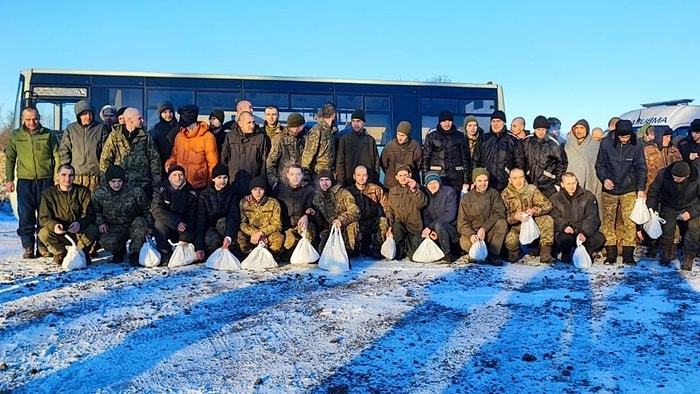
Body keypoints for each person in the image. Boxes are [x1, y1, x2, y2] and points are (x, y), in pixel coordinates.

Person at [5, 107, 61, 258]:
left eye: (35, 119)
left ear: (39, 118)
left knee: (45, 215)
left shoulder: (48, 134)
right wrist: (9, 179)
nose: (32, 122)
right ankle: (28, 246)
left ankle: (43, 246)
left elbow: (57, 156)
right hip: (25, 181)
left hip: (46, 180)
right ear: (23, 119)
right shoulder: (16, 135)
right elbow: (10, 158)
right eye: (28, 119)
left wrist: (57, 176)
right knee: (26, 216)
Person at [595, 119, 647, 265]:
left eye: (627, 136)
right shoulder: (605, 143)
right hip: (609, 189)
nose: (625, 139)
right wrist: (604, 178)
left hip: (628, 189)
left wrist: (640, 189)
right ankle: (611, 254)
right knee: (609, 222)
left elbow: (641, 168)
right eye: (622, 137)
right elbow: (600, 165)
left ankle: (628, 255)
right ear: (616, 134)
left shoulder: (637, 144)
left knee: (629, 222)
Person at [38, 164, 99, 265]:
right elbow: (44, 217)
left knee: (92, 229)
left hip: (78, 232)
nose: (67, 179)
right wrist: (54, 226)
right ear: (58, 176)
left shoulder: (83, 192)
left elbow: (90, 215)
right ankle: (60, 253)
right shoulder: (48, 194)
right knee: (43, 233)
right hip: (60, 233)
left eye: (71, 175)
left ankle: (81, 253)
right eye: (64, 175)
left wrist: (80, 223)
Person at [93, 165, 151, 265]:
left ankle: (135, 252)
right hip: (113, 227)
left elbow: (147, 209)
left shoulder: (135, 191)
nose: (116, 184)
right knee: (107, 242)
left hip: (132, 225)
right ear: (108, 181)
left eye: (119, 181)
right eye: (113, 182)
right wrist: (101, 223)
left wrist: (150, 226)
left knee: (140, 223)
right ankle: (119, 249)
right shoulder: (99, 193)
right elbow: (96, 211)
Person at [647, 161, 700, 271]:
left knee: (694, 228)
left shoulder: (697, 178)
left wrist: (691, 213)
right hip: (670, 204)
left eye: (678, 178)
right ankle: (667, 251)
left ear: (687, 176)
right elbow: (654, 192)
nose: (675, 180)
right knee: (667, 228)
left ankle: (689, 255)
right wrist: (652, 210)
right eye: (674, 177)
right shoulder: (664, 174)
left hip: (691, 205)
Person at [99, 107, 161, 198]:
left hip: (142, 186)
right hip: (120, 186)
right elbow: (105, 160)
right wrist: (107, 185)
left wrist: (155, 186)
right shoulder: (115, 136)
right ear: (130, 120)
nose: (142, 120)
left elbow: (155, 161)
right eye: (139, 118)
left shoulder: (145, 137)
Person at [500, 168, 555, 264]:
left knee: (547, 220)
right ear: (510, 180)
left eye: (521, 177)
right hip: (516, 226)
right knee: (510, 241)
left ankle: (545, 253)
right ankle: (514, 253)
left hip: (533, 221)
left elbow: (547, 205)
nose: (518, 181)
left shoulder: (532, 189)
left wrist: (534, 210)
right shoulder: (505, 194)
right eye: (515, 178)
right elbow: (503, 215)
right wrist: (515, 217)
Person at [549, 172, 606, 264]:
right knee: (564, 239)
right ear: (562, 184)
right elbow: (554, 216)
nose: (572, 186)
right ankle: (566, 252)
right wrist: (564, 226)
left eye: (573, 183)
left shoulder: (588, 196)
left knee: (599, 238)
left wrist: (584, 232)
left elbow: (592, 217)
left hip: (582, 229)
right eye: (568, 184)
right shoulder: (555, 198)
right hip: (566, 231)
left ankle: (586, 251)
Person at [457, 167, 508, 264]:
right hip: (473, 233)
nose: (483, 183)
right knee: (464, 243)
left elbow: (500, 212)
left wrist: (484, 228)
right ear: (474, 182)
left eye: (485, 180)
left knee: (502, 223)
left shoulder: (494, 194)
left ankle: (494, 254)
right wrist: (471, 234)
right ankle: (473, 254)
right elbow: (462, 222)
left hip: (489, 231)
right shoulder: (467, 198)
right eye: (479, 181)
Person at [165, 104, 219, 192]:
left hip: (200, 185)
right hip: (181, 183)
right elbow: (174, 156)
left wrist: (211, 183)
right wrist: (169, 164)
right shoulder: (179, 136)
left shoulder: (207, 137)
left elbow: (213, 163)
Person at [151, 165, 198, 264]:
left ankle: (184, 253)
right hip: (169, 224)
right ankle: (165, 254)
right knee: (159, 224)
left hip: (184, 228)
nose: (178, 178)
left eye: (180, 175)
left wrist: (185, 238)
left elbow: (193, 216)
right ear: (169, 177)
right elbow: (157, 210)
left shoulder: (191, 193)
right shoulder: (161, 190)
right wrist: (176, 222)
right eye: (175, 175)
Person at [60, 99, 110, 191]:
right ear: (79, 115)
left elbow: (106, 153)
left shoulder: (101, 128)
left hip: (95, 177)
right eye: (85, 114)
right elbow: (64, 151)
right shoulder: (71, 129)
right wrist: (65, 171)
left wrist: (103, 172)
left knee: (94, 204)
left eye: (90, 113)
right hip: (76, 176)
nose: (88, 116)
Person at [194, 164, 241, 261]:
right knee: (212, 240)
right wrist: (199, 247)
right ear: (213, 179)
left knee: (222, 222)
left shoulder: (232, 193)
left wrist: (229, 236)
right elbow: (200, 220)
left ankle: (231, 251)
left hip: (226, 226)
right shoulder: (204, 195)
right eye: (219, 178)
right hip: (210, 226)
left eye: (225, 177)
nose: (222, 181)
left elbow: (233, 215)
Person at [472, 110, 525, 192]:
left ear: (504, 123)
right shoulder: (483, 139)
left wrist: (514, 179)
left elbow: (519, 163)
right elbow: (475, 160)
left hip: (506, 185)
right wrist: (475, 179)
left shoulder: (513, 140)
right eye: (493, 121)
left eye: (498, 121)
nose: (495, 124)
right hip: (486, 184)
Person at [310, 169, 361, 255]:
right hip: (330, 229)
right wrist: (315, 214)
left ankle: (349, 251)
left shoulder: (343, 193)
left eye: (327, 180)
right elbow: (322, 223)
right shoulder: (318, 198)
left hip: (345, 227)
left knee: (353, 225)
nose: (324, 183)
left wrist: (341, 220)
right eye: (321, 180)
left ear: (332, 180)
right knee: (323, 252)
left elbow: (356, 211)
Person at [221, 111, 270, 197]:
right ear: (240, 123)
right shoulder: (230, 136)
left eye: (253, 122)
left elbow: (263, 164)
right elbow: (224, 159)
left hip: (252, 186)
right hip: (233, 185)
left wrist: (259, 185)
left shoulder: (260, 138)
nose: (252, 125)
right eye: (249, 123)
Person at [422, 110, 471, 194]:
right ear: (440, 122)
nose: (447, 123)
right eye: (444, 121)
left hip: (456, 178)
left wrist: (466, 182)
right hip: (438, 177)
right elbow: (426, 159)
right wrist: (425, 179)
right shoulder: (432, 136)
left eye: (449, 121)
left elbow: (466, 160)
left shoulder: (460, 136)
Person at [385, 165, 428, 260]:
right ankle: (399, 249)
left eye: (405, 175)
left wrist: (414, 190)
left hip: (414, 226)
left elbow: (422, 203)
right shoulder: (393, 191)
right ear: (396, 177)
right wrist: (390, 226)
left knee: (414, 257)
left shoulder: (417, 188)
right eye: (400, 175)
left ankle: (408, 248)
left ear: (410, 175)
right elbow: (390, 210)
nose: (403, 178)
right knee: (397, 227)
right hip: (400, 225)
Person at [272, 164, 316, 258]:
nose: (295, 178)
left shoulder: (309, 190)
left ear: (302, 175)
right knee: (289, 246)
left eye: (298, 174)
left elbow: (311, 208)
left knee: (307, 236)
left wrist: (306, 216)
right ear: (287, 175)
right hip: (287, 228)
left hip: (303, 225)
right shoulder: (279, 190)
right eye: (292, 174)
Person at [346, 165, 388, 258]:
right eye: (359, 175)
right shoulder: (348, 192)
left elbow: (386, 207)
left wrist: (390, 224)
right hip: (357, 223)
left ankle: (377, 249)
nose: (361, 178)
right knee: (351, 227)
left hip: (372, 221)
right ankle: (353, 249)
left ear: (367, 176)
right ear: (354, 176)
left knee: (383, 222)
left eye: (364, 175)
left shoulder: (375, 189)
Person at [521, 115, 568, 198]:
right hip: (529, 183)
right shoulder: (526, 141)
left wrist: (557, 184)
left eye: (543, 129)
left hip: (548, 185)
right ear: (534, 129)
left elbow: (562, 164)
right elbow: (521, 161)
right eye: (538, 129)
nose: (541, 132)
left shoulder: (554, 143)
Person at [237, 177, 284, 256]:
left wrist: (262, 233)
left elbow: (277, 224)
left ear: (265, 190)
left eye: (261, 189)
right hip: (251, 234)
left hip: (267, 234)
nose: (258, 192)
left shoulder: (273, 203)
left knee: (278, 239)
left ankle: (270, 256)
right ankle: (249, 256)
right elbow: (242, 223)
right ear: (251, 190)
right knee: (240, 238)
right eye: (255, 189)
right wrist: (255, 233)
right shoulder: (244, 202)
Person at [335, 109, 381, 187]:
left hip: (368, 183)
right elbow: (340, 163)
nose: (355, 124)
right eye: (353, 121)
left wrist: (375, 182)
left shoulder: (370, 140)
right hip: (349, 183)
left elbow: (376, 163)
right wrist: (342, 184)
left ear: (363, 122)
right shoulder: (344, 140)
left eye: (358, 121)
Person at [421, 171, 458, 263]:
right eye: (430, 183)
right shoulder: (425, 195)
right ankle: (436, 253)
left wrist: (430, 227)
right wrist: (431, 231)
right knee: (416, 239)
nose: (433, 186)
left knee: (439, 225)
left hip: (449, 229)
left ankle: (448, 254)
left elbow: (450, 214)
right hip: (434, 230)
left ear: (439, 183)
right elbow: (426, 215)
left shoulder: (449, 192)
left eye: (435, 183)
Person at [266, 113, 307, 189]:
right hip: (283, 182)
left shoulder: (307, 138)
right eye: (293, 126)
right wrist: (274, 182)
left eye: (298, 126)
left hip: (302, 183)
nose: (295, 129)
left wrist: (306, 180)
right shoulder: (280, 138)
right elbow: (271, 162)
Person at [301, 102, 338, 183]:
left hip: (329, 173)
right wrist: (305, 177)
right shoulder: (317, 130)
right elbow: (308, 154)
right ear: (334, 115)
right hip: (317, 174)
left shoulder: (332, 131)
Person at [380, 121, 422, 189]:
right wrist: (394, 175)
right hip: (391, 185)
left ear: (408, 136)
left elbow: (419, 165)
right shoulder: (389, 146)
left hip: (410, 185)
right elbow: (383, 164)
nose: (399, 137)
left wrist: (408, 175)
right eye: (398, 134)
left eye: (402, 135)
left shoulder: (415, 146)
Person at [148, 100, 179, 172]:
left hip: (176, 164)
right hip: (160, 164)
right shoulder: (155, 129)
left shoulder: (179, 127)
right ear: (160, 114)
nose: (168, 114)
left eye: (170, 112)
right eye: (165, 112)